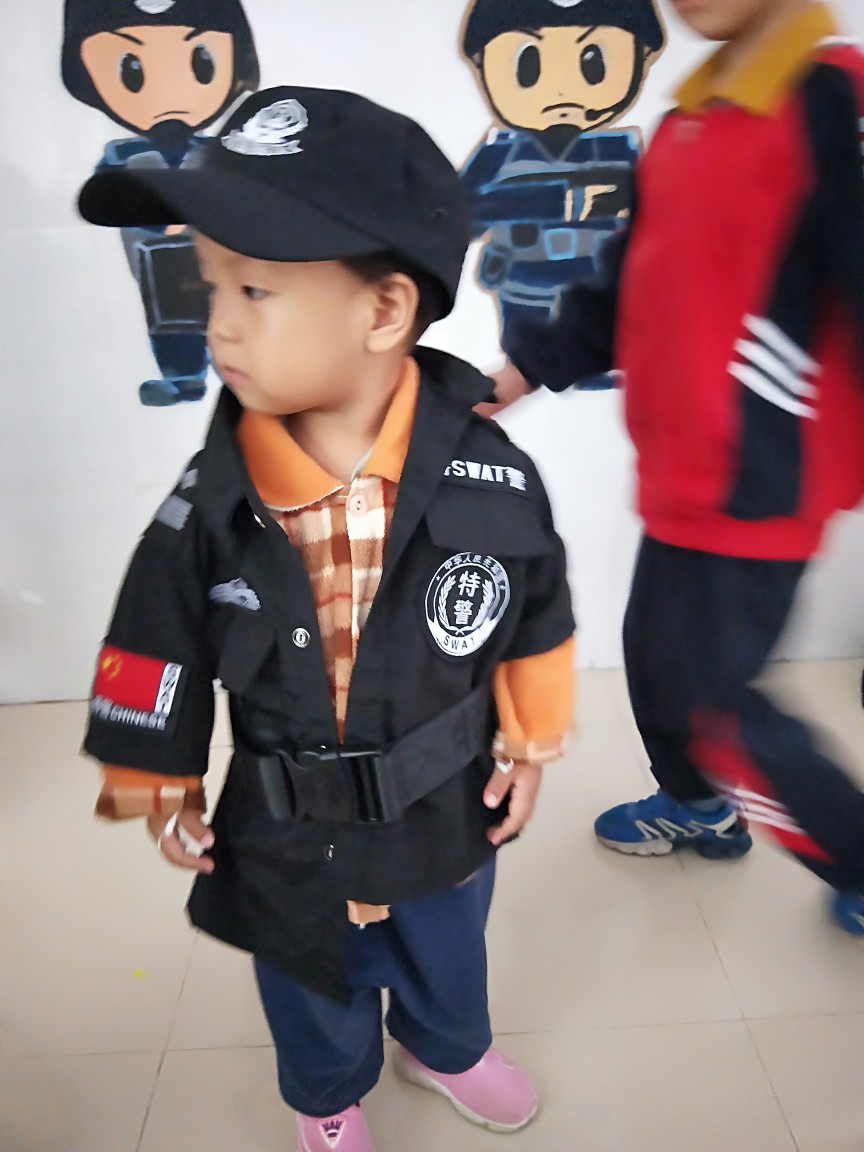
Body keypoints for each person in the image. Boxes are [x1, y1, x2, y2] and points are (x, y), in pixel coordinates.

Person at [78, 86, 576, 1151]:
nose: (218, 321)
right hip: (285, 812)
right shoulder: (208, 504)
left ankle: (445, 1046)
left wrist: (531, 741)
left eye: (255, 288)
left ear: (384, 312)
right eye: (211, 282)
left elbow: (536, 606)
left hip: (443, 790)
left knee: (448, 939)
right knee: (309, 972)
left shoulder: (491, 475)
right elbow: (152, 636)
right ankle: (327, 1093)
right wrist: (153, 775)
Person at [489, 0, 864, 935]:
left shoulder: (833, 98)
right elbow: (626, 285)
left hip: (765, 476)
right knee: (657, 662)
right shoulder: (688, 123)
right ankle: (697, 807)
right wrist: (515, 377)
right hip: (683, 474)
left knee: (715, 702)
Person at [62, 0, 260, 406]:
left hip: (219, 259)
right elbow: (107, 201)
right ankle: (184, 378)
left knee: (229, 315)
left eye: (201, 63)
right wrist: (159, 223)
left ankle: (241, 377)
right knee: (172, 323)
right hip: (157, 263)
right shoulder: (122, 156)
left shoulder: (219, 153)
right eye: (131, 70)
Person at [460, 0, 664, 389]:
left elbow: (655, 222)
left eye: (593, 61)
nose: (560, 91)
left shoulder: (622, 150)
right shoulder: (499, 152)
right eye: (528, 65)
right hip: (523, 284)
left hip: (601, 292)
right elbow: (463, 214)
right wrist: (563, 201)